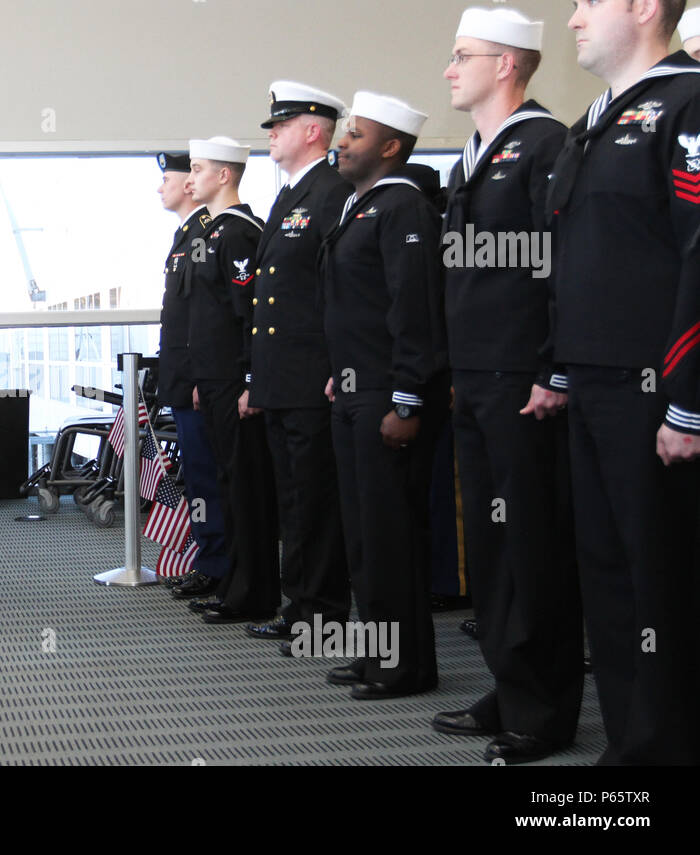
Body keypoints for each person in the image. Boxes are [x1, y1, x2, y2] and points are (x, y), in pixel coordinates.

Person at [546, 0, 699, 765]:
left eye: (588, 2)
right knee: (607, 577)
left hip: (658, 393)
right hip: (594, 384)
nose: (573, 18)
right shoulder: (595, 120)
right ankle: (631, 748)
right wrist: (560, 366)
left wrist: (689, 399)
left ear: (643, 7)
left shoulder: (688, 103)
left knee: (662, 584)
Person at [432, 5, 584, 765]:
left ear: (508, 65)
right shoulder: (475, 154)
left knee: (533, 546)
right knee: (489, 549)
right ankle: (508, 682)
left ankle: (546, 706)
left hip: (525, 382)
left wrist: (552, 366)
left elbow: (561, 269)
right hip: (479, 377)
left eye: (464, 55)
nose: (450, 68)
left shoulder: (542, 145)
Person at [320, 91, 448, 699]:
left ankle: (406, 666)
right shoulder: (360, 207)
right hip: (354, 388)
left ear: (391, 147)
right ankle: (376, 651)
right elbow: (357, 308)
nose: (341, 143)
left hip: (386, 396)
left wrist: (407, 400)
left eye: (357, 135)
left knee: (390, 533)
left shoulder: (404, 207)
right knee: (363, 534)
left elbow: (413, 310)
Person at [243, 82, 352, 650]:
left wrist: (338, 365)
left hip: (313, 377)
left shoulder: (333, 192)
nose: (272, 135)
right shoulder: (289, 196)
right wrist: (258, 379)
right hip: (282, 379)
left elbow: (336, 290)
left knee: (315, 502)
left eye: (280, 126)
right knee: (293, 500)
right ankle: (299, 606)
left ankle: (325, 615)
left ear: (314, 130)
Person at [182, 136, 279, 625]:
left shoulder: (238, 233)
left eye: (198, 169)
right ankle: (235, 585)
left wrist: (248, 381)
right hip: (216, 382)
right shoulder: (213, 231)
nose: (190, 177)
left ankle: (253, 593)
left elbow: (249, 318)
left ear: (225, 175)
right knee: (228, 485)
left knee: (246, 491)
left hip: (236, 383)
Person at [151, 151, 228, 599]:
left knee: (208, 476)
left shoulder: (206, 234)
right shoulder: (186, 236)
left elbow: (210, 317)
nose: (160, 188)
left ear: (188, 186)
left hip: (202, 382)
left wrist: (200, 377)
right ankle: (209, 560)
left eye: (168, 178)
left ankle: (219, 565)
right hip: (184, 380)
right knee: (198, 476)